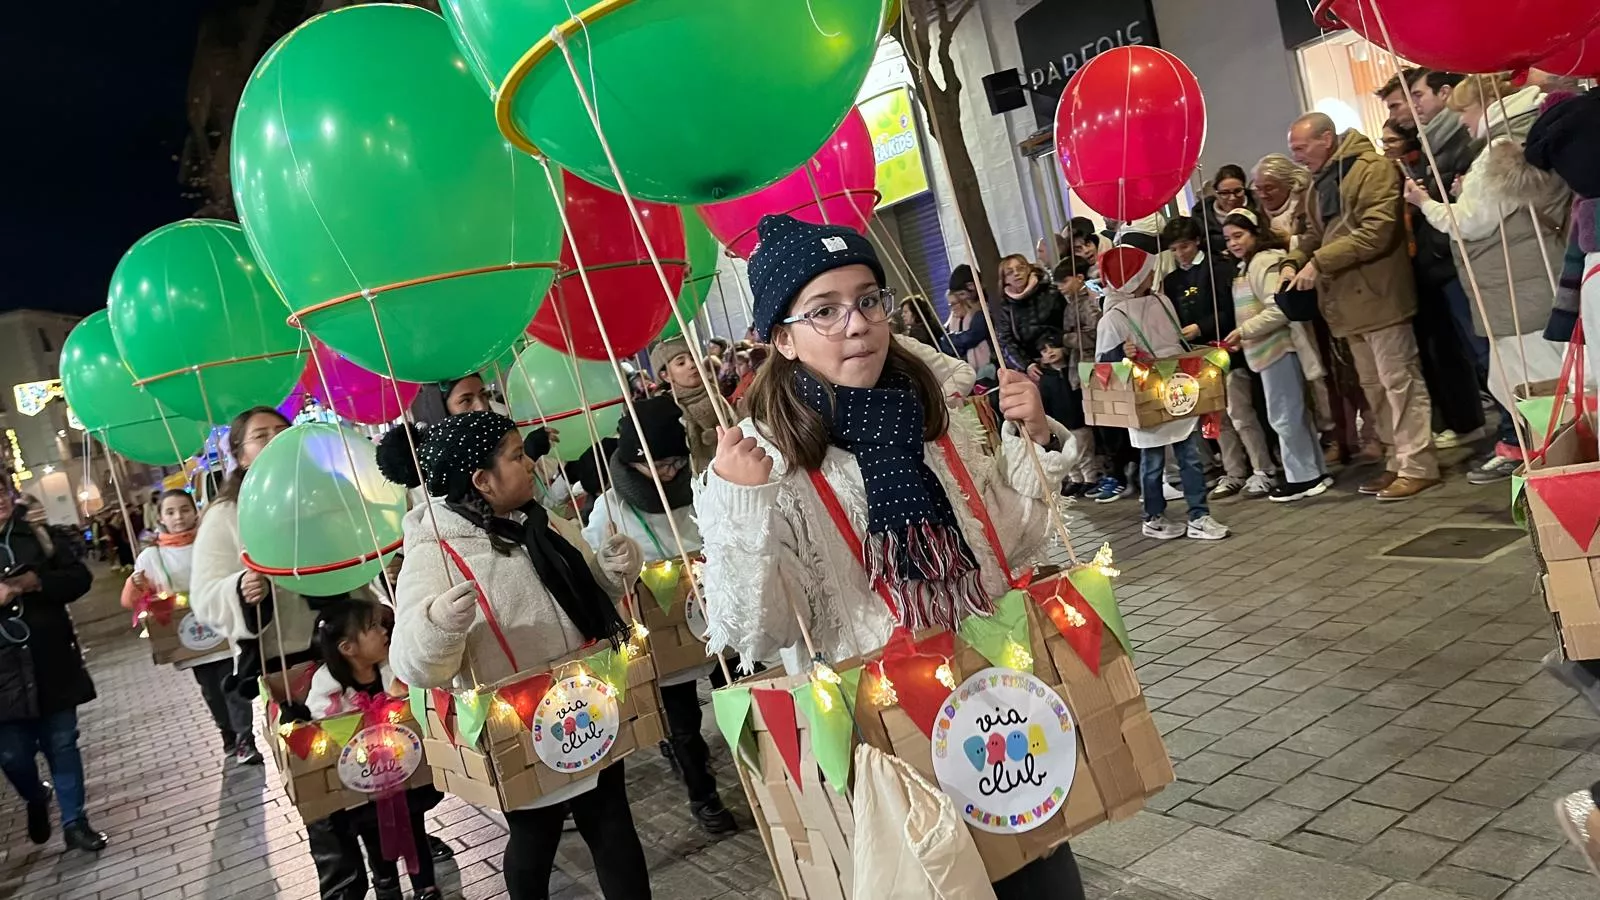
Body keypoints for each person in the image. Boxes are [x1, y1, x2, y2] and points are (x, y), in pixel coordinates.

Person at [696, 213, 1087, 899]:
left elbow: (1009, 547)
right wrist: (742, 505)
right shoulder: (760, 463)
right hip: (884, 748)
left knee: (1046, 881)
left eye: (868, 299)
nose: (857, 324)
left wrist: (1034, 439)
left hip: (991, 701)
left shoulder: (936, 412)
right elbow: (759, 634)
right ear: (782, 339)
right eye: (824, 310)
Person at [384, 411, 651, 900]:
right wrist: (438, 623)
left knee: (613, 824)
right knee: (534, 838)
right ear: (482, 480)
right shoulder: (434, 553)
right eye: (514, 456)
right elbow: (412, 663)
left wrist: (614, 572)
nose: (528, 463)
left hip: (586, 701)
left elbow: (590, 595)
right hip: (517, 728)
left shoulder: (541, 520)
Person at [191, 406, 375, 897]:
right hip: (287, 666)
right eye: (259, 436)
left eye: (281, 431)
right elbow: (206, 593)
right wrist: (240, 588)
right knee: (320, 782)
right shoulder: (226, 515)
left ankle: (397, 864)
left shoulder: (325, 490)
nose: (273, 440)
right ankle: (343, 885)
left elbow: (356, 554)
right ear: (240, 454)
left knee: (375, 758)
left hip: (351, 652)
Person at [579, 396, 737, 835]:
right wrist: (613, 565)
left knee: (741, 697)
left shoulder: (694, 486)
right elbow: (599, 573)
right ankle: (703, 796)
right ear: (633, 461)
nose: (670, 473)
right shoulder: (610, 509)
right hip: (664, 631)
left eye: (675, 463)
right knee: (684, 723)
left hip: (714, 614)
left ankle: (759, 767)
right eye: (659, 465)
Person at [1404, 74, 1570, 484]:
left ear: (1483, 105)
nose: (1461, 121)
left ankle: (1562, 470)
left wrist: (1425, 202)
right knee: (1549, 381)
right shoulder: (1531, 129)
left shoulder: (1498, 146)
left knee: (1527, 386)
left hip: (1516, 289)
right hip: (1536, 277)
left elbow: (1471, 223)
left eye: (1464, 110)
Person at [1285, 111, 1440, 500]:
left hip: (1379, 294)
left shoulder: (1374, 169)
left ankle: (1419, 463)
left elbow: (1376, 231)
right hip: (1345, 302)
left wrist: (1318, 262)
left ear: (1326, 138)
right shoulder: (1317, 182)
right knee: (1373, 387)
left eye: (1301, 148)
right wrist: (1292, 260)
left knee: (1399, 381)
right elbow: (1312, 235)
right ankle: (1395, 459)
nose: (1297, 157)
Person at [308, 598, 445, 900]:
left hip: (405, 772)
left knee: (414, 825)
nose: (384, 632)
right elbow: (323, 733)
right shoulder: (327, 691)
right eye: (372, 627)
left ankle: (425, 888)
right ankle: (387, 886)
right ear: (348, 648)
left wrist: (401, 698)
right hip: (362, 784)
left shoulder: (395, 669)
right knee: (374, 837)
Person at [1094, 245, 1231, 540]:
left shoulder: (1162, 301)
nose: (1153, 274)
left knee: (1190, 455)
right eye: (1145, 270)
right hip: (1144, 395)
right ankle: (1154, 516)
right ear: (1132, 277)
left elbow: (1174, 341)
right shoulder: (1113, 317)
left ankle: (1199, 515)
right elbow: (1103, 370)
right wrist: (1120, 352)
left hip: (1176, 385)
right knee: (1153, 461)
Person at [1254, 153, 1378, 466]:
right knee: (1319, 379)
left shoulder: (1306, 202)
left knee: (1348, 369)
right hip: (1293, 307)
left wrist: (1289, 242)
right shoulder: (1256, 217)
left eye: (1269, 187)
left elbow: (1321, 238)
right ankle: (1338, 436)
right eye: (1257, 188)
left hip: (1326, 293)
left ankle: (1372, 433)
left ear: (1287, 183)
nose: (1263, 194)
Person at [0, 489, 103, 852]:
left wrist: (36, 583)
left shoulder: (41, 535)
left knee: (61, 743)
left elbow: (79, 579)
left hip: (51, 660)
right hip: (3, 673)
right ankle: (35, 796)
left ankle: (75, 822)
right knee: (11, 754)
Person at [121, 490, 257, 765]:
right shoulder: (152, 557)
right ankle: (227, 732)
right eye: (170, 512)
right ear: (160, 518)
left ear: (195, 510)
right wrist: (137, 585)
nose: (178, 517)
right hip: (189, 639)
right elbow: (132, 600)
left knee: (233, 682)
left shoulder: (212, 541)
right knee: (211, 689)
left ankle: (245, 738)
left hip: (224, 627)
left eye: (184, 509)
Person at [1382, 118, 1488, 448]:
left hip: (1443, 264)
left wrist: (1424, 203)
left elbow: (1451, 218)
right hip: (1422, 270)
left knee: (1474, 349)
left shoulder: (1426, 166)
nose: (1386, 147)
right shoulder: (1397, 173)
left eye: (1391, 141)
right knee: (1440, 352)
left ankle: (1487, 424)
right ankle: (1461, 421)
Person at [1220, 210, 1334, 501]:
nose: (1233, 243)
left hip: (1278, 348)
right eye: (1228, 238)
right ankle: (1313, 472)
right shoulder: (1247, 265)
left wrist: (1244, 331)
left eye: (1239, 235)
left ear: (1255, 233)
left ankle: (1303, 477)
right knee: (1291, 414)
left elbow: (1279, 309)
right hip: (1265, 351)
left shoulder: (1265, 261)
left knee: (1285, 416)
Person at [1161, 214, 1275, 499]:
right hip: (1196, 357)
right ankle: (1234, 471)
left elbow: (1230, 309)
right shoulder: (1172, 280)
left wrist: (1202, 326)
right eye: (1174, 249)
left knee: (1240, 412)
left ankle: (1263, 469)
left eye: (1184, 246)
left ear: (1197, 241)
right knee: (1216, 417)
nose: (1180, 254)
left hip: (1227, 349)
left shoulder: (1218, 268)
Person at [1034, 331, 1096, 495]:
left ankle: (1089, 479)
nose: (1050, 352)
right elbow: (1044, 402)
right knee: (1067, 454)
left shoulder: (1074, 370)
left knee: (1084, 452)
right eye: (1044, 350)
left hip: (1079, 419)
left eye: (1053, 347)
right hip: (1060, 423)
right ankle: (1075, 479)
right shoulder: (1046, 378)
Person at [652, 336, 722, 473]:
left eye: (692, 358)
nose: (691, 364)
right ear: (666, 376)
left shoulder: (714, 393)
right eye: (681, 363)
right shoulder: (666, 410)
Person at [991, 253, 1066, 369]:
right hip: (1035, 363)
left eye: (1020, 268)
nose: (1016, 273)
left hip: (1065, 354)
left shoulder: (1051, 293)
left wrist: (1065, 349)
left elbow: (1070, 323)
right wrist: (1027, 365)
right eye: (1010, 272)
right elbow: (1006, 342)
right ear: (1005, 279)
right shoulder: (1006, 307)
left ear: (1029, 269)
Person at [943, 265, 997, 383]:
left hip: (990, 367)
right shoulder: (957, 317)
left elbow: (972, 336)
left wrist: (949, 339)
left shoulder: (984, 310)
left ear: (972, 286)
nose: (962, 300)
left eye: (962, 294)